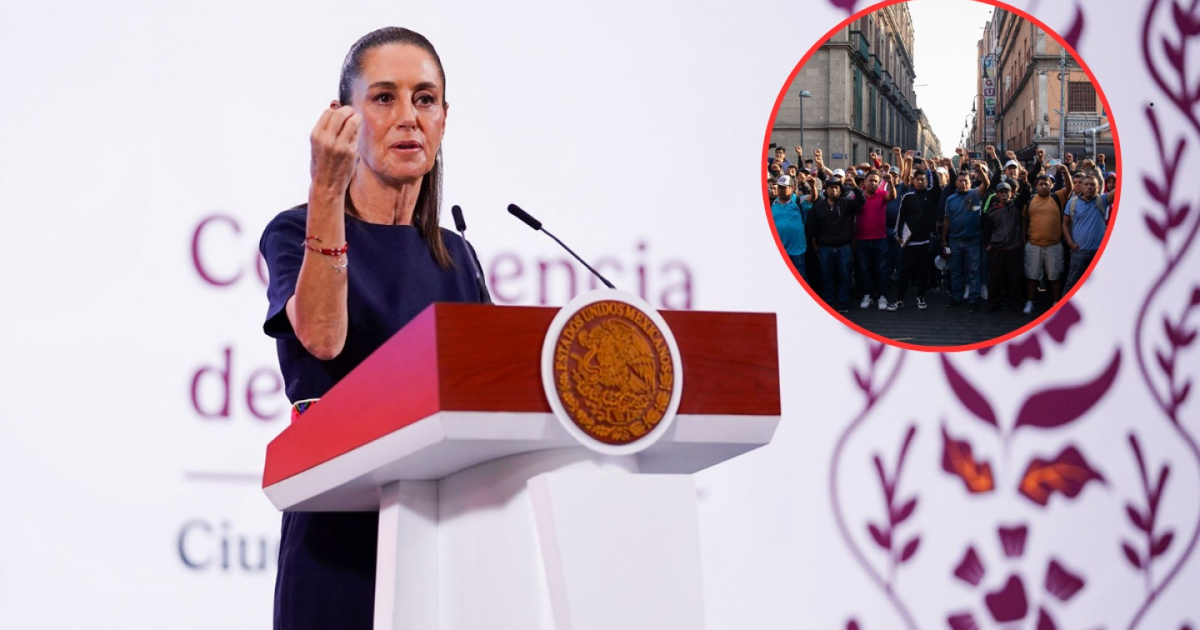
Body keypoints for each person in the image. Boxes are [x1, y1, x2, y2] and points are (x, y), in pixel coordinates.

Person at [258, 27, 483, 629]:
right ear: (345, 118)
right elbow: (323, 338)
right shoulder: (293, 231)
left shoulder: (459, 258)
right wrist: (325, 190)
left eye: (424, 99)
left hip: (444, 544)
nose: (409, 116)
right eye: (384, 97)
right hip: (339, 544)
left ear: (443, 118)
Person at [1021, 149, 1073, 314]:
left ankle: (1056, 302)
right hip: (1033, 245)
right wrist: (1024, 238)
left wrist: (1066, 172)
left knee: (1054, 276)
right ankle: (1030, 302)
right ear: (1036, 186)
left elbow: (1069, 188)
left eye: (1047, 184)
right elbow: (1024, 220)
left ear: (1051, 186)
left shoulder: (1057, 197)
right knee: (1031, 276)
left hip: (1054, 245)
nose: (1044, 186)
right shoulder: (1029, 201)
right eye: (1041, 184)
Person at [888, 161, 942, 311]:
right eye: (917, 179)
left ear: (927, 181)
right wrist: (898, 235)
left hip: (925, 241)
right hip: (910, 242)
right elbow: (901, 217)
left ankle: (921, 297)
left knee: (924, 271)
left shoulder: (931, 194)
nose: (920, 182)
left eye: (923, 179)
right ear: (913, 181)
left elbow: (938, 188)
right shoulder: (907, 197)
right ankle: (899, 299)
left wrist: (933, 170)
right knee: (905, 271)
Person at [807, 178, 864, 312]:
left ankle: (843, 303)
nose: (834, 190)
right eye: (831, 187)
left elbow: (861, 201)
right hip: (825, 247)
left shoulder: (846, 203)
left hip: (844, 246)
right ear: (826, 190)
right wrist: (814, 244)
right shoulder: (819, 206)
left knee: (845, 276)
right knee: (826, 276)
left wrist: (855, 187)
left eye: (837, 187)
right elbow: (814, 226)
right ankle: (828, 302)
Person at [941, 161, 990, 313]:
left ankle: (973, 299)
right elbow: (947, 219)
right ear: (956, 183)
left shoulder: (975, 194)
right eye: (961, 181)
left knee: (973, 271)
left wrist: (981, 171)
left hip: (972, 240)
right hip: (955, 241)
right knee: (955, 271)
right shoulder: (950, 199)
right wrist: (943, 239)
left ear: (970, 182)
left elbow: (987, 184)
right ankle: (957, 296)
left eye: (966, 181)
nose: (963, 183)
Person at [1062, 172, 1114, 294]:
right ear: (1081, 187)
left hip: (1098, 252)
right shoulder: (1072, 203)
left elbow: (1120, 188)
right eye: (1086, 184)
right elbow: (1065, 224)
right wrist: (1070, 243)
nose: (1089, 187)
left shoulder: (1103, 200)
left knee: (1100, 286)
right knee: (1071, 284)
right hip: (1079, 252)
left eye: (1092, 185)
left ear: (1098, 187)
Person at [771, 175, 809, 281]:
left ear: (792, 188)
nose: (780, 190)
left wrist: (812, 186)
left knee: (799, 280)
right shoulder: (772, 203)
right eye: (779, 187)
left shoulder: (799, 201)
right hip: (779, 252)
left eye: (784, 188)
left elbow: (813, 198)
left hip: (796, 252)